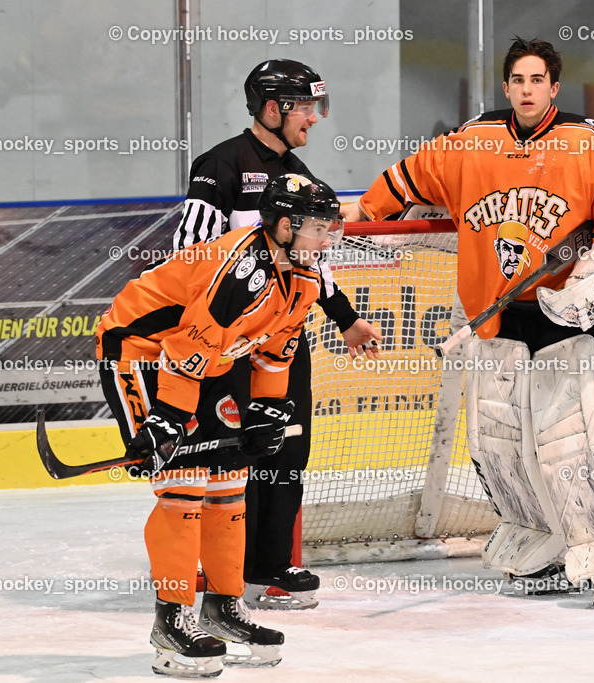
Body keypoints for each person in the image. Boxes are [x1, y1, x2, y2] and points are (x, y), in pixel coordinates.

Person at [344, 38, 594, 606]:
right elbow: (411, 176)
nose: (527, 89)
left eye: (538, 80)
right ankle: (544, 546)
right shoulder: (474, 141)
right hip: (507, 321)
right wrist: (365, 209)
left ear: (554, 87)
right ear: (506, 86)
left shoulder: (587, 142)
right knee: (507, 445)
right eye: (518, 80)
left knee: (580, 445)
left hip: (579, 324)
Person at [97, 174, 344, 676]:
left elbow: (275, 351)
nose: (326, 239)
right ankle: (171, 619)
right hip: (142, 356)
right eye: (317, 228)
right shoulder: (239, 271)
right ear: (282, 226)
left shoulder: (304, 276)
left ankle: (222, 607)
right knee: (182, 487)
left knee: (230, 479)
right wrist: (167, 420)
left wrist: (267, 410)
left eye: (328, 228)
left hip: (205, 362)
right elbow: (185, 349)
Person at [173, 58, 382, 610]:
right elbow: (189, 259)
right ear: (274, 108)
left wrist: (346, 318)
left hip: (286, 340)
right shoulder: (218, 166)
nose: (314, 119)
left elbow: (316, 263)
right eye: (307, 107)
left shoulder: (303, 181)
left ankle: (271, 568)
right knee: (228, 456)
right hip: (232, 346)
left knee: (287, 450)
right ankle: (220, 573)